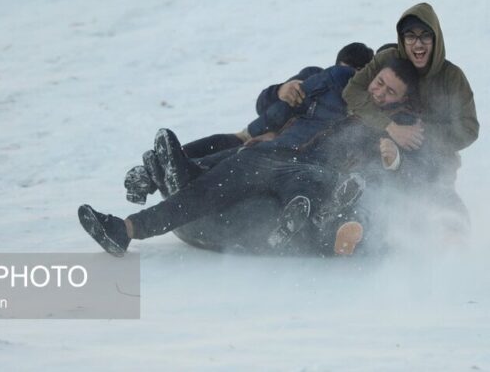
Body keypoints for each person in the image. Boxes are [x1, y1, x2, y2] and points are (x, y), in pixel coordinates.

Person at [78, 55, 426, 257]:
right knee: (203, 192)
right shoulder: (338, 82)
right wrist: (281, 91)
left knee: (306, 191)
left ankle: (286, 229)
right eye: (379, 82)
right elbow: (280, 101)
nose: (379, 91)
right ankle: (125, 229)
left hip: (312, 170)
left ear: (399, 100)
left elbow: (397, 169)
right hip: (269, 152)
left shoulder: (392, 128)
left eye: (389, 91)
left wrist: (391, 151)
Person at [124, 42, 375, 203]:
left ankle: (176, 175)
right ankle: (150, 173)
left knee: (237, 155)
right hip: (255, 134)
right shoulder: (314, 77)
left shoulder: (353, 111)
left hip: (279, 153)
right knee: (223, 141)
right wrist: (280, 91)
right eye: (343, 71)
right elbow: (263, 105)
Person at [343, 3, 479, 215]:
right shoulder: (389, 58)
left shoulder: (452, 77)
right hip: (380, 143)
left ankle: (454, 233)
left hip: (434, 159)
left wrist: (423, 135)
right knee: (370, 179)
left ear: (436, 39)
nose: (418, 44)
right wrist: (391, 127)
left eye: (425, 36)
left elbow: (470, 129)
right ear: (402, 39)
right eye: (410, 37)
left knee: (435, 191)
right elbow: (353, 91)